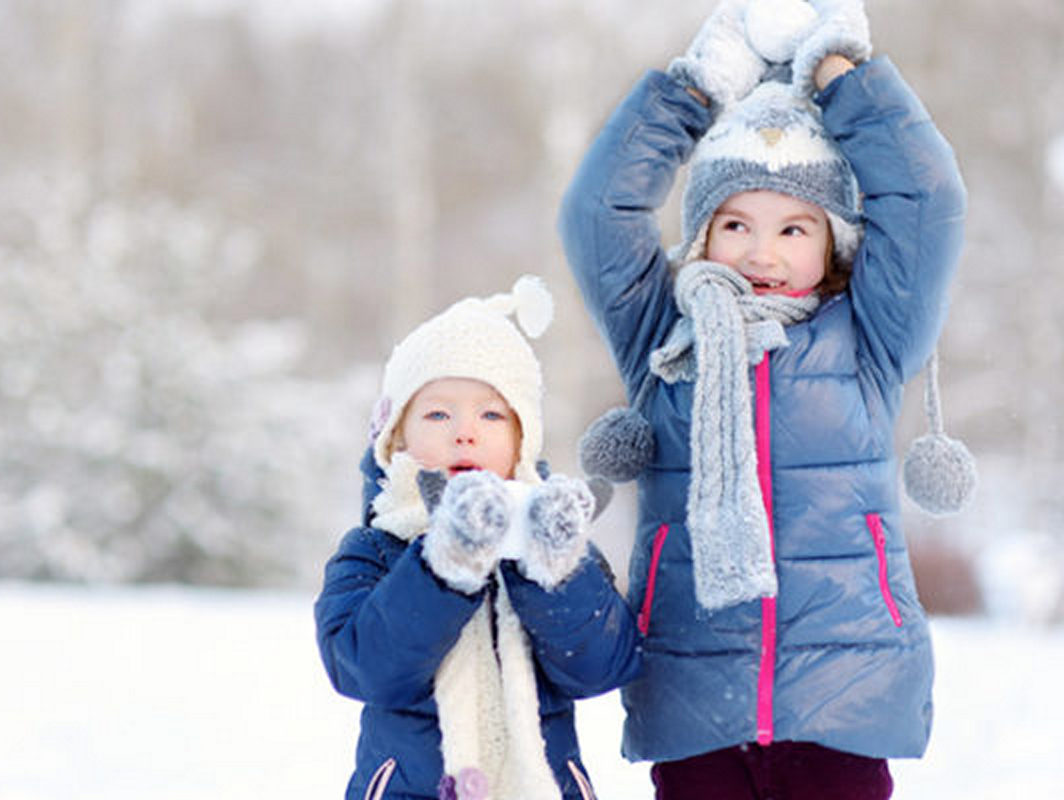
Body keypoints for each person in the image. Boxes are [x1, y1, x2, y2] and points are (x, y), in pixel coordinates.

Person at [557, 0, 967, 797]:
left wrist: (841, 77)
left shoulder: (872, 338)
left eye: (792, 229)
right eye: (735, 223)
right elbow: (595, 211)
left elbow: (926, 200)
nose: (760, 253)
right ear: (702, 236)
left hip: (845, 700)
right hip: (693, 700)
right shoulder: (663, 337)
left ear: (834, 243)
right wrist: (695, 90)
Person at [315, 275, 642, 800]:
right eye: (438, 413)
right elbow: (367, 669)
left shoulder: (552, 541)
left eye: (491, 414)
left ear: (522, 437)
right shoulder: (374, 550)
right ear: (396, 437)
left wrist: (551, 567)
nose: (465, 431)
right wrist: (443, 567)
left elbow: (601, 666)